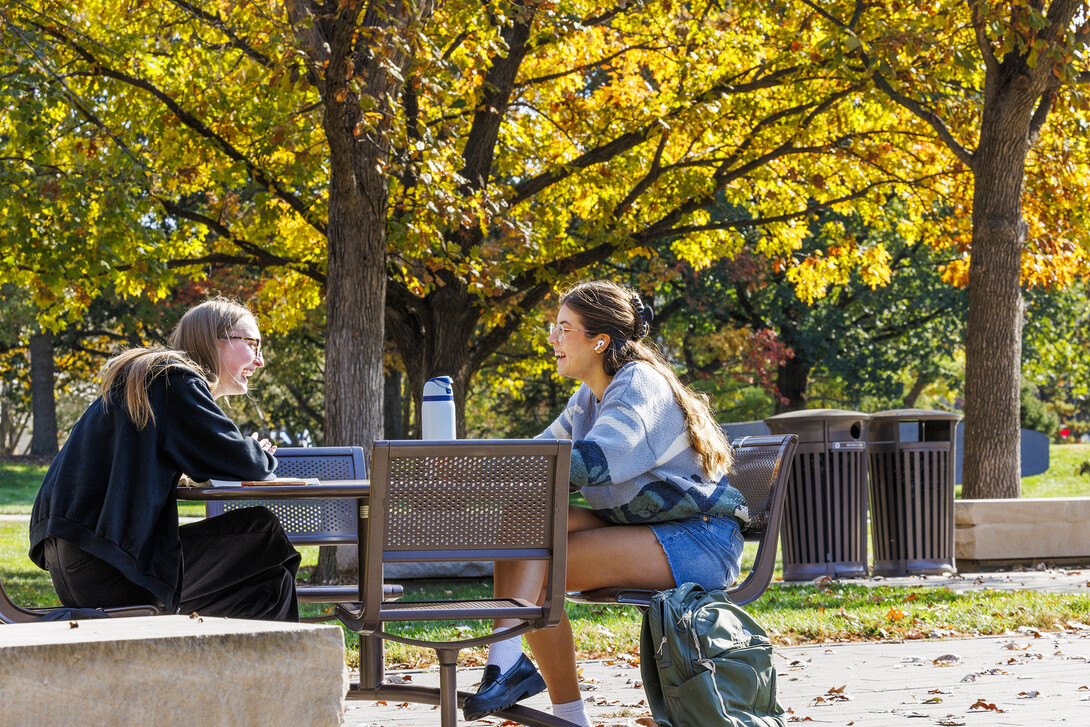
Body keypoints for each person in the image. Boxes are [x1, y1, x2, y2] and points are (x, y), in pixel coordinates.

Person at [462, 280, 750, 725]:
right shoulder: (588, 399)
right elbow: (537, 455)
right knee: (523, 521)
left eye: (563, 328)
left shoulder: (639, 384)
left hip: (700, 536)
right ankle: (511, 667)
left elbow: (595, 462)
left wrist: (494, 469)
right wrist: (463, 468)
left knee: (539, 569)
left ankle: (520, 676)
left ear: (599, 341)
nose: (552, 339)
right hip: (647, 526)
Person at [28, 297, 301, 621]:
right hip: (106, 567)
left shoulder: (151, 379)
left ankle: (257, 670)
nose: (260, 361)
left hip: (78, 563)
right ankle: (294, 667)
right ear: (216, 339)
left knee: (270, 586)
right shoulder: (175, 381)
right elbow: (246, 462)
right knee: (263, 531)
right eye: (253, 344)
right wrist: (261, 454)